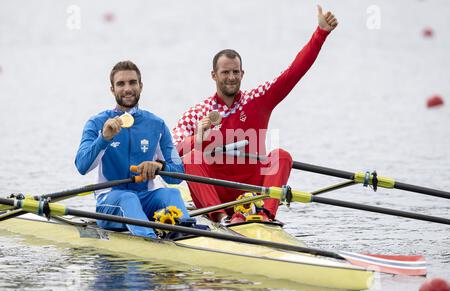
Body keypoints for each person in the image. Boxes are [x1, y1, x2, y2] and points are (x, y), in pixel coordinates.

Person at [172, 5, 338, 223]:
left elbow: (294, 72)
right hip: (217, 195)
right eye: (225, 72)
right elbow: (170, 153)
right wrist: (197, 139)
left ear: (242, 73)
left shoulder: (258, 99)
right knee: (191, 156)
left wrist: (320, 33)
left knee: (281, 156)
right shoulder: (197, 113)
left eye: (235, 72)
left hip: (252, 191)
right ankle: (220, 218)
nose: (231, 77)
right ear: (213, 75)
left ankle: (266, 215)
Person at [75, 60, 193, 238]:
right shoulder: (97, 123)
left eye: (132, 82)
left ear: (141, 86)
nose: (127, 89)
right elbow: (82, 166)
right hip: (111, 200)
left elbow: (178, 173)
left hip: (145, 197)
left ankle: (188, 237)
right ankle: (149, 240)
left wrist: (160, 167)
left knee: (171, 193)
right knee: (128, 198)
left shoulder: (157, 124)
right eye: (121, 84)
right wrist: (104, 138)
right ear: (112, 89)